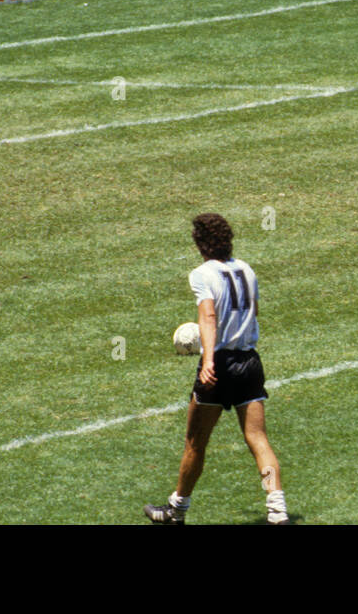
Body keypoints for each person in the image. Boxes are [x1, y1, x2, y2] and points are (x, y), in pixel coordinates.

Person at [144, 213, 291, 526]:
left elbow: (208, 317)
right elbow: (254, 314)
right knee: (258, 439)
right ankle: (278, 513)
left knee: (196, 443)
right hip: (250, 362)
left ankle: (176, 511)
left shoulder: (201, 274)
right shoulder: (247, 270)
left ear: (200, 244)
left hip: (220, 365)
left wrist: (209, 359)